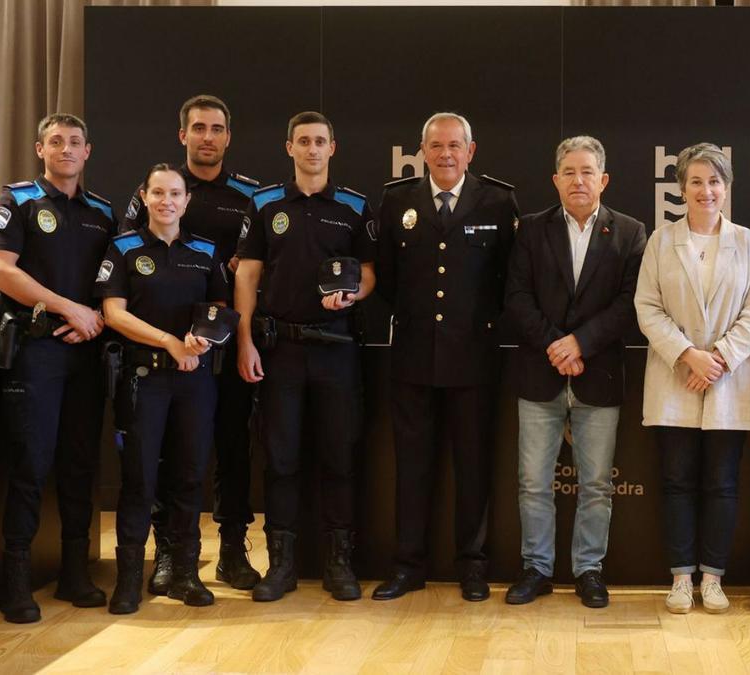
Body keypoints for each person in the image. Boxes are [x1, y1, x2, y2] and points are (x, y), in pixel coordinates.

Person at [120, 94, 262, 596]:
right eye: (198, 128)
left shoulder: (249, 196)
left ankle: (230, 550)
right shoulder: (156, 189)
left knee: (231, 447)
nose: (208, 136)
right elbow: (126, 258)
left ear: (228, 137)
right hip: (161, 354)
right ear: (183, 135)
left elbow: (252, 269)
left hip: (220, 346)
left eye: (217, 129)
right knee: (163, 457)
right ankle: (170, 558)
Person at [373, 112, 518, 602]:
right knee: (412, 466)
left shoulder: (498, 200)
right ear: (423, 150)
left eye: (455, 145)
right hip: (413, 358)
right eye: (436, 146)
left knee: (473, 466)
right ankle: (408, 565)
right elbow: (389, 283)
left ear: (470, 151)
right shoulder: (397, 200)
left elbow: (506, 282)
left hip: (474, 358)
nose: (446, 154)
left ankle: (472, 566)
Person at [235, 111, 377, 602]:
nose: (312, 149)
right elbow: (247, 275)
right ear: (289, 147)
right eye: (303, 141)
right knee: (281, 460)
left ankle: (340, 564)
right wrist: (245, 340)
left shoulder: (355, 206)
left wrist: (354, 295)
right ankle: (282, 566)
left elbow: (371, 272)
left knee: (340, 458)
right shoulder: (264, 203)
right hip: (281, 351)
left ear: (333, 148)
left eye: (320, 141)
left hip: (337, 349)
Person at [0, 113, 115, 623]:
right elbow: (0, 271)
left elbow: (114, 283)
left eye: (74, 142)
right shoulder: (17, 200)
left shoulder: (102, 212)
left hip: (86, 351)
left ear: (88, 151)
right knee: (31, 465)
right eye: (55, 142)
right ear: (40, 150)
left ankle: (75, 574)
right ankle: (17, 581)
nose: (65, 149)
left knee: (81, 466)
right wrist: (67, 307)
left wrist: (92, 318)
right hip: (36, 352)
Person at [503, 136, 646, 609]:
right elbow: (517, 297)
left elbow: (631, 304)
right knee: (533, 481)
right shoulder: (529, 228)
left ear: (603, 179)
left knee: (597, 483)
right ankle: (536, 569)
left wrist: (581, 343)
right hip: (539, 372)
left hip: (599, 372)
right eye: (569, 171)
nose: (578, 180)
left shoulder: (630, 232)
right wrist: (555, 344)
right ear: (556, 179)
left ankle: (589, 570)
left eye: (588, 172)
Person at [634, 143, 750, 614]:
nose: (705, 190)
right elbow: (647, 308)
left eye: (714, 182)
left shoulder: (748, 241)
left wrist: (719, 359)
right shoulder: (660, 240)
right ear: (681, 188)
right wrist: (689, 355)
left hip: (730, 382)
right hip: (675, 378)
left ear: (726, 188)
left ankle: (712, 578)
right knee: (676, 482)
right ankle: (679, 578)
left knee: (722, 484)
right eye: (696, 181)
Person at [98, 164, 228, 614]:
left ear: (186, 201)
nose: (167, 201)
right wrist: (169, 341)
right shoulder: (124, 248)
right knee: (139, 479)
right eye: (158, 193)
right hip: (145, 379)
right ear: (145, 196)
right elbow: (113, 313)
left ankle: (186, 575)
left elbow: (219, 310)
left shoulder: (205, 251)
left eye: (175, 193)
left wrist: (201, 337)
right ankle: (129, 580)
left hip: (194, 380)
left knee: (189, 476)